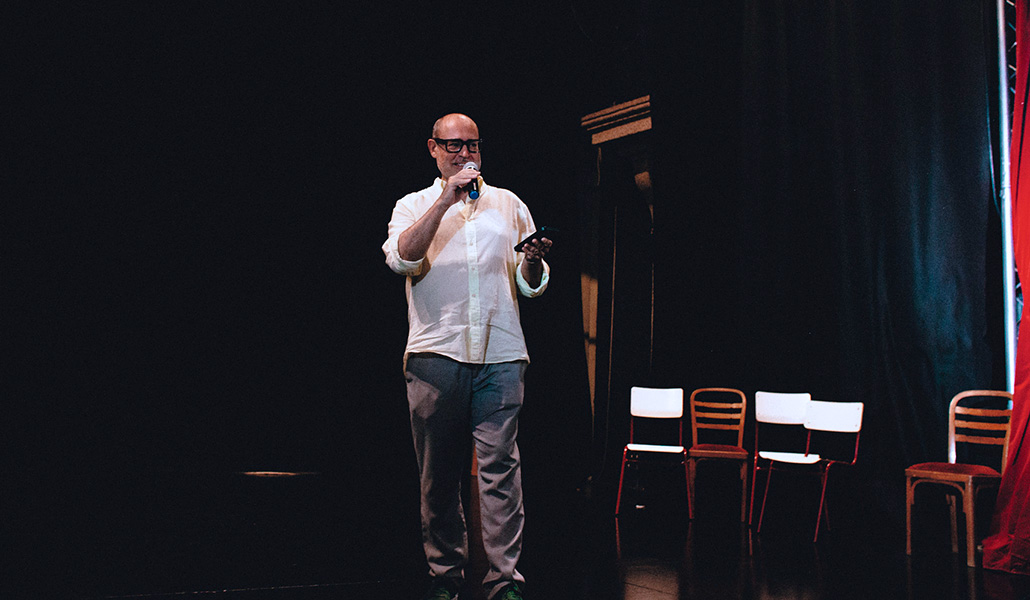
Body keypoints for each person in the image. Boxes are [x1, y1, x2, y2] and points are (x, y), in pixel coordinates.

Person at [382, 113, 552, 600]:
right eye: (453, 146)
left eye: (472, 145)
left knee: (501, 471)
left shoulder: (508, 203)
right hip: (437, 353)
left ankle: (504, 581)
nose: (464, 154)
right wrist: (445, 200)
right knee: (439, 475)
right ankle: (445, 575)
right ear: (433, 149)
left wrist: (534, 260)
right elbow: (402, 259)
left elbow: (529, 283)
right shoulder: (412, 204)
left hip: (501, 352)